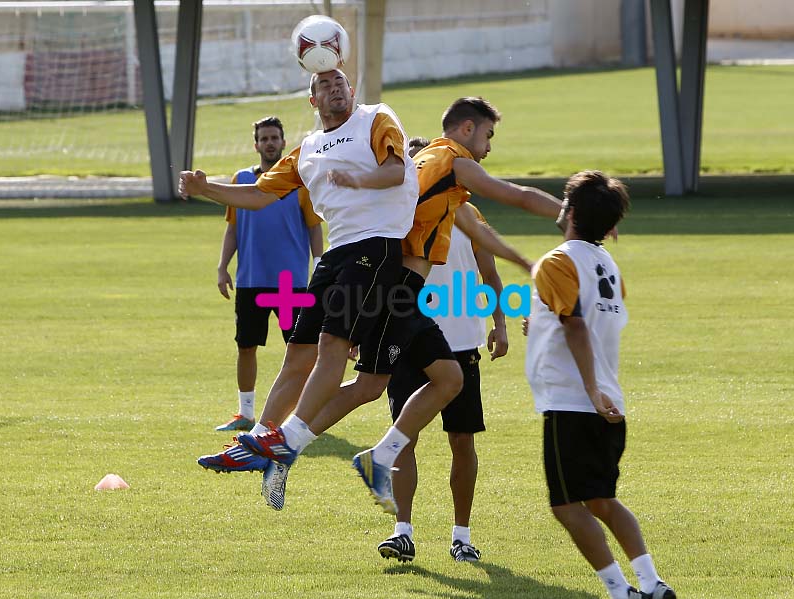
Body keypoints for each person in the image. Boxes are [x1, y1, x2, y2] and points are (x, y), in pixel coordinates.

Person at [237, 97, 563, 515]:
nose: (488, 147)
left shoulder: (435, 178)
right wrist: (570, 214)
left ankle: (287, 447)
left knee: (374, 386)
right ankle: (325, 449)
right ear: (467, 129)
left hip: (387, 286)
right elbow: (514, 195)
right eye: (488, 135)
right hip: (398, 288)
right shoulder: (450, 162)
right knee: (444, 380)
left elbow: (481, 236)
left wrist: (526, 263)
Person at [181, 69, 419, 510]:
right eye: (325, 87)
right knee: (298, 353)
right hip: (336, 253)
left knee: (334, 345)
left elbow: (394, 172)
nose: (336, 90)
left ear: (352, 90)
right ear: (313, 102)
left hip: (377, 245)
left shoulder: (376, 118)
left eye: (341, 83)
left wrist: (358, 179)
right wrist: (205, 189)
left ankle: (282, 443)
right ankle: (256, 445)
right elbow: (257, 195)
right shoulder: (305, 150)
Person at [523, 170, 676, 599]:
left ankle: (619, 591)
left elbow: (575, 326)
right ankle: (651, 583)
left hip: (574, 402)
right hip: (612, 402)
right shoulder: (609, 265)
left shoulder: (556, 261)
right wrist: (537, 324)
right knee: (602, 501)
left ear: (569, 212)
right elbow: (587, 317)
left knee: (566, 505)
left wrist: (589, 389)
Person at [378, 198, 508, 564]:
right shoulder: (397, 215)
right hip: (407, 341)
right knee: (403, 438)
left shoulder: (469, 215)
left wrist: (500, 324)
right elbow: (380, 278)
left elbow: (490, 275)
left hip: (461, 343)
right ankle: (402, 532)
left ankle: (461, 537)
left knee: (462, 440)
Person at [214, 116, 323, 432]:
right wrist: (223, 267)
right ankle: (246, 413)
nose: (270, 143)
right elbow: (233, 229)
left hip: (291, 285)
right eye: (264, 138)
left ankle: (302, 416)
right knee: (246, 346)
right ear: (256, 144)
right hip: (251, 281)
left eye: (275, 137)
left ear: (283, 142)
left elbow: (314, 228)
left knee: (300, 350)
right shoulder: (242, 180)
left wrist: (319, 263)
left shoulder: (298, 183)